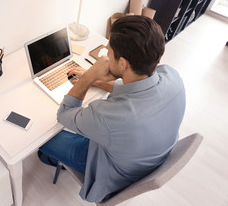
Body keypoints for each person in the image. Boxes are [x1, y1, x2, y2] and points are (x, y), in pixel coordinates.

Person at [38, 15, 186, 203]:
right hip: (143, 154)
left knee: (41, 140)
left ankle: (50, 159)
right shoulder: (172, 76)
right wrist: (101, 82)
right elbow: (139, 89)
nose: (104, 56)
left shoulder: (109, 116)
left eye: (108, 52)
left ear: (123, 64)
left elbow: (64, 115)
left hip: (107, 167)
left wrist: (89, 77)